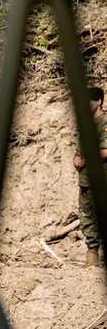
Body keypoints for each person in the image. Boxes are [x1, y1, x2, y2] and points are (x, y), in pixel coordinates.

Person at [73, 87, 107, 267]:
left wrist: (86, 159)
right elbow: (79, 150)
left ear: (99, 102)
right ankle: (92, 256)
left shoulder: (105, 122)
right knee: (87, 216)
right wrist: (77, 159)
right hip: (86, 180)